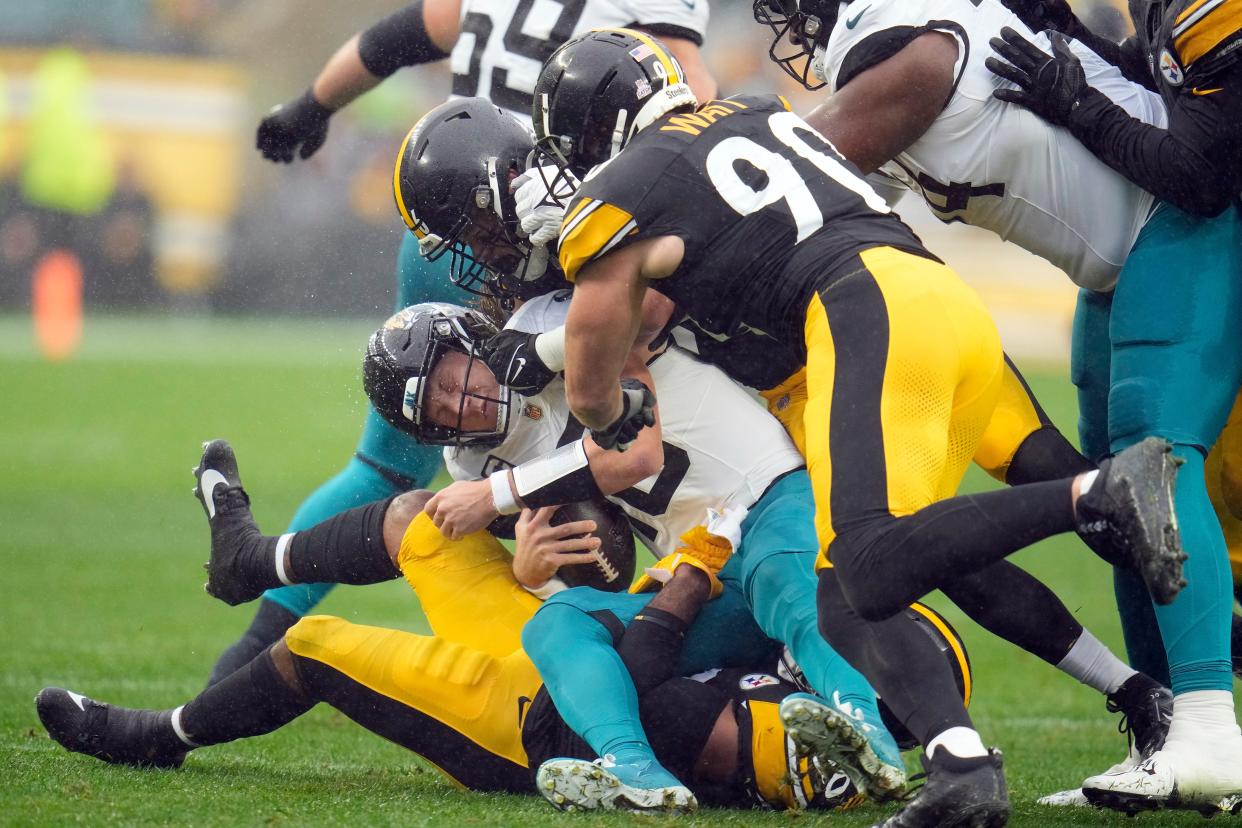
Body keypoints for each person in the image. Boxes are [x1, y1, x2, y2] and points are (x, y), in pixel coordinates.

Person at [522, 27, 1187, 826]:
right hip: (935, 301)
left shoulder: (631, 185)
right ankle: (993, 756)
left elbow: (605, 335)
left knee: (865, 567)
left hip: (860, 320)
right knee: (886, 572)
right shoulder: (756, 113)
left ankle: (1097, 495)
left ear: (593, 130)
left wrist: (600, 409)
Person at [214, 0, 722, 685]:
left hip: (447, 225)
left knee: (391, 468)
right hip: (557, 227)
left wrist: (311, 104)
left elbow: (392, 39)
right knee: (639, 401)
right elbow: (687, 103)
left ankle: (250, 645)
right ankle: (638, 614)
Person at [33, 478, 865, 813]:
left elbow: (646, 680)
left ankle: (165, 737)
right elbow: (623, 618)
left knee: (317, 642)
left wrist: (684, 585)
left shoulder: (783, 700)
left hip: (534, 719)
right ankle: (255, 560)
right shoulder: (802, 599)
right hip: (573, 648)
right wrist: (546, 578)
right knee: (428, 529)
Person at [983, 0, 1242, 811]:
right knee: (1117, 482)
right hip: (1164, 241)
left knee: (1158, 460)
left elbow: (1202, 173)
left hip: (1209, 229)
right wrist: (1073, 36)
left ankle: (1207, 724)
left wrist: (1077, 102)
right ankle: (1167, 733)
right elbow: (1164, 84)